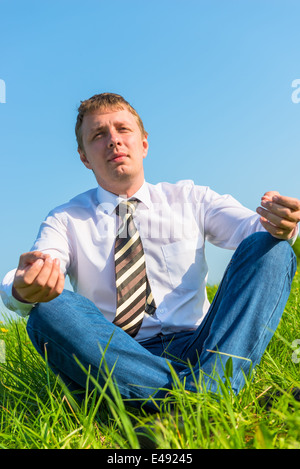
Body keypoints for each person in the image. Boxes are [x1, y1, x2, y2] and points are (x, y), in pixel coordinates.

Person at [1, 93, 299, 414]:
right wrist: (24, 286)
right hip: (118, 353)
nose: (114, 141)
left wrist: (279, 223)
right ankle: (212, 396)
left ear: (144, 144)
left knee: (270, 247)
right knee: (47, 309)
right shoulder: (66, 218)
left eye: (123, 130)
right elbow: (44, 264)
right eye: (98, 135)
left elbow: (252, 231)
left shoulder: (190, 197)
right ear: (84, 157)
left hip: (205, 343)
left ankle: (184, 401)